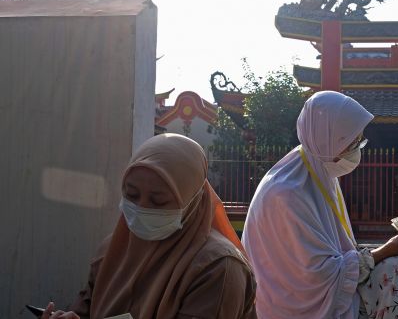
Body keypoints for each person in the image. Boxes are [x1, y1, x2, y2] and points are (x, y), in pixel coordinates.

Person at [242, 91, 398, 319]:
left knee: (395, 267)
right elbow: (318, 277)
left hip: (327, 291)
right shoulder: (286, 194)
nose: (357, 150)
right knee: (395, 270)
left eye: (359, 142)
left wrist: (386, 252)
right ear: (327, 140)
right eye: (352, 142)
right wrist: (386, 250)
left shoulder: (317, 172)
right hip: (295, 306)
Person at [40, 133, 257, 319]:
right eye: (132, 195)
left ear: (191, 202)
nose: (142, 208)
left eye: (159, 201)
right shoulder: (112, 251)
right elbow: (85, 308)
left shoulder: (218, 268)